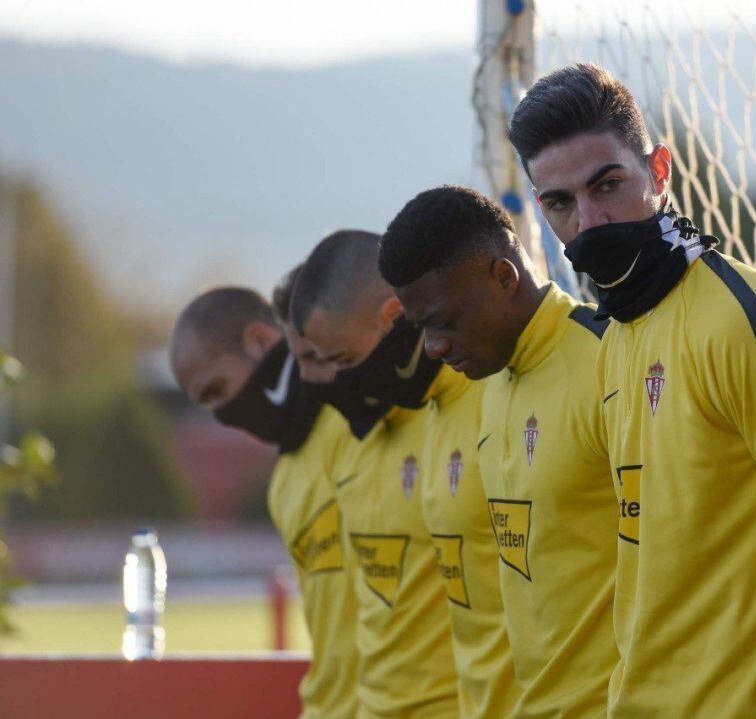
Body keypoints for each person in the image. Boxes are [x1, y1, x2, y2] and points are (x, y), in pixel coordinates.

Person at [508, 62, 756, 718]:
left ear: (659, 171)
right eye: (561, 203)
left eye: (608, 184)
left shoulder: (748, 319)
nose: (591, 220)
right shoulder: (619, 333)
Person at [379, 185, 620, 717]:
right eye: (421, 329)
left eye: (443, 322)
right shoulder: (494, 383)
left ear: (504, 277)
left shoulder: (610, 358)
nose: (433, 348)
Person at [291, 230, 519, 718]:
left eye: (340, 360)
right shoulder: (423, 408)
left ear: (393, 316)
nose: (327, 382)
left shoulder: (493, 397)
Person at [168, 286, 361, 719]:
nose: (222, 413)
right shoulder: (285, 479)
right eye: (206, 404)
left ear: (259, 340)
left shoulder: (362, 421)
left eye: (217, 389)